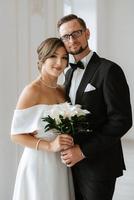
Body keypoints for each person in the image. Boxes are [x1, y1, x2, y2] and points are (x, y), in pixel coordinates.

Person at [57, 14, 132, 200]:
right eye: (66, 36)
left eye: (76, 33)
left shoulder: (109, 70)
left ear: (87, 33)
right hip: (70, 164)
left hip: (99, 164)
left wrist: (82, 151)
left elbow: (122, 120)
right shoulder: (67, 73)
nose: (72, 40)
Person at [10, 37, 75, 200]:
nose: (59, 62)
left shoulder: (62, 90)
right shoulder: (32, 90)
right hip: (39, 162)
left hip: (61, 164)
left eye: (64, 57)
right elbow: (16, 135)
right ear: (42, 59)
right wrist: (50, 146)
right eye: (53, 56)